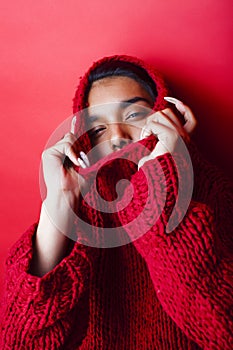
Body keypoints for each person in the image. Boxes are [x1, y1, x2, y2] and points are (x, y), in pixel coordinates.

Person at [0, 54, 232, 349]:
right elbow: (19, 343)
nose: (118, 136)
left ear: (165, 113)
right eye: (98, 129)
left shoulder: (212, 191)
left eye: (133, 115)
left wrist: (162, 182)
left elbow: (222, 329)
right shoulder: (83, 213)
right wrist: (57, 206)